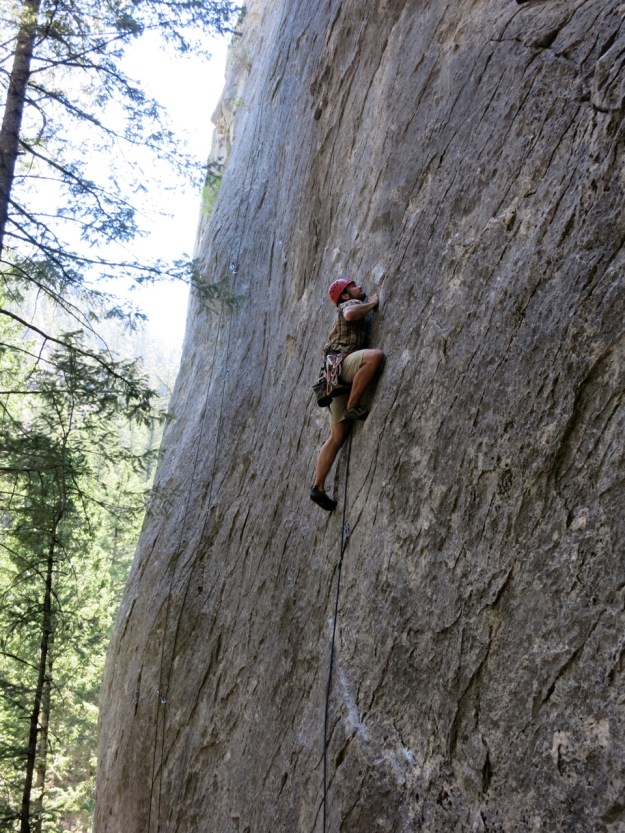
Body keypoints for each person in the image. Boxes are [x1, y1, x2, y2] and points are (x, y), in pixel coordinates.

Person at [310, 278, 384, 511]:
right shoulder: (347, 305)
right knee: (375, 357)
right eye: (354, 286)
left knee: (336, 437)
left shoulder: (348, 303)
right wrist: (372, 304)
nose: (360, 287)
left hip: (333, 380)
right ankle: (354, 405)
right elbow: (351, 314)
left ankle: (318, 488)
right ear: (345, 295)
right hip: (342, 367)